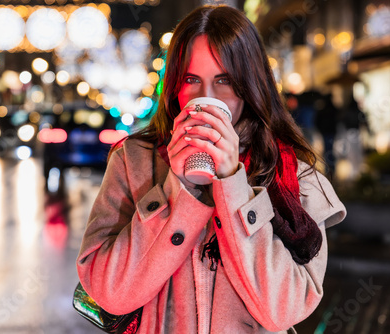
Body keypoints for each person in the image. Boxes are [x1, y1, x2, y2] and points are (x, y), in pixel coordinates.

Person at [76, 5, 346, 334]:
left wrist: (234, 186)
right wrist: (177, 191)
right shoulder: (134, 161)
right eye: (191, 79)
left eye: (224, 81)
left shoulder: (295, 177)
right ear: (174, 86)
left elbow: (283, 311)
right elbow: (110, 295)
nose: (206, 96)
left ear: (250, 85)